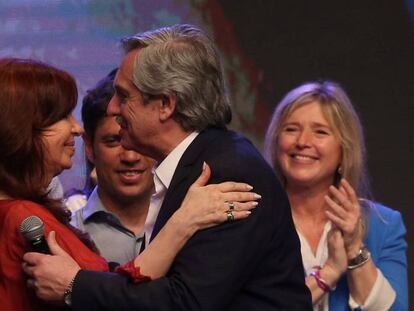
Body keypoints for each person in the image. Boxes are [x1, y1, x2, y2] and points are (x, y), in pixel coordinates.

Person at [23, 24, 312, 310]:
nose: (112, 108)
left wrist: (75, 285)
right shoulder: (196, 162)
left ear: (165, 104)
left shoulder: (228, 172)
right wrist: (79, 273)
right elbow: (152, 280)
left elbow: (184, 301)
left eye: (123, 96)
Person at [0, 58, 258, 311]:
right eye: (61, 116)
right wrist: (185, 220)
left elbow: (111, 287)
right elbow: (116, 294)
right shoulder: (22, 217)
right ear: (23, 130)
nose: (76, 128)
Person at [263, 81, 408, 310]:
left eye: (320, 132)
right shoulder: (251, 221)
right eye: (291, 129)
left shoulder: (384, 225)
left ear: (344, 150)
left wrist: (354, 249)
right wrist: (328, 273)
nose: (302, 142)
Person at [71, 68, 155, 265]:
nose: (130, 156)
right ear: (90, 147)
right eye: (113, 141)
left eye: (140, 139)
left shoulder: (190, 222)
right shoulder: (69, 231)